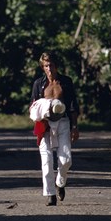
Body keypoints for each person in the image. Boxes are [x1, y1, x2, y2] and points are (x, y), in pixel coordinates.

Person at [29, 51, 79, 206]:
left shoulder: (66, 82)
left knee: (66, 160)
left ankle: (60, 182)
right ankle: (50, 194)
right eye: (46, 66)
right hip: (45, 124)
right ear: (42, 67)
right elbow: (33, 105)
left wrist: (75, 126)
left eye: (51, 65)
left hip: (63, 122)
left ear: (56, 65)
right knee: (46, 160)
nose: (49, 68)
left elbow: (72, 106)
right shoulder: (38, 84)